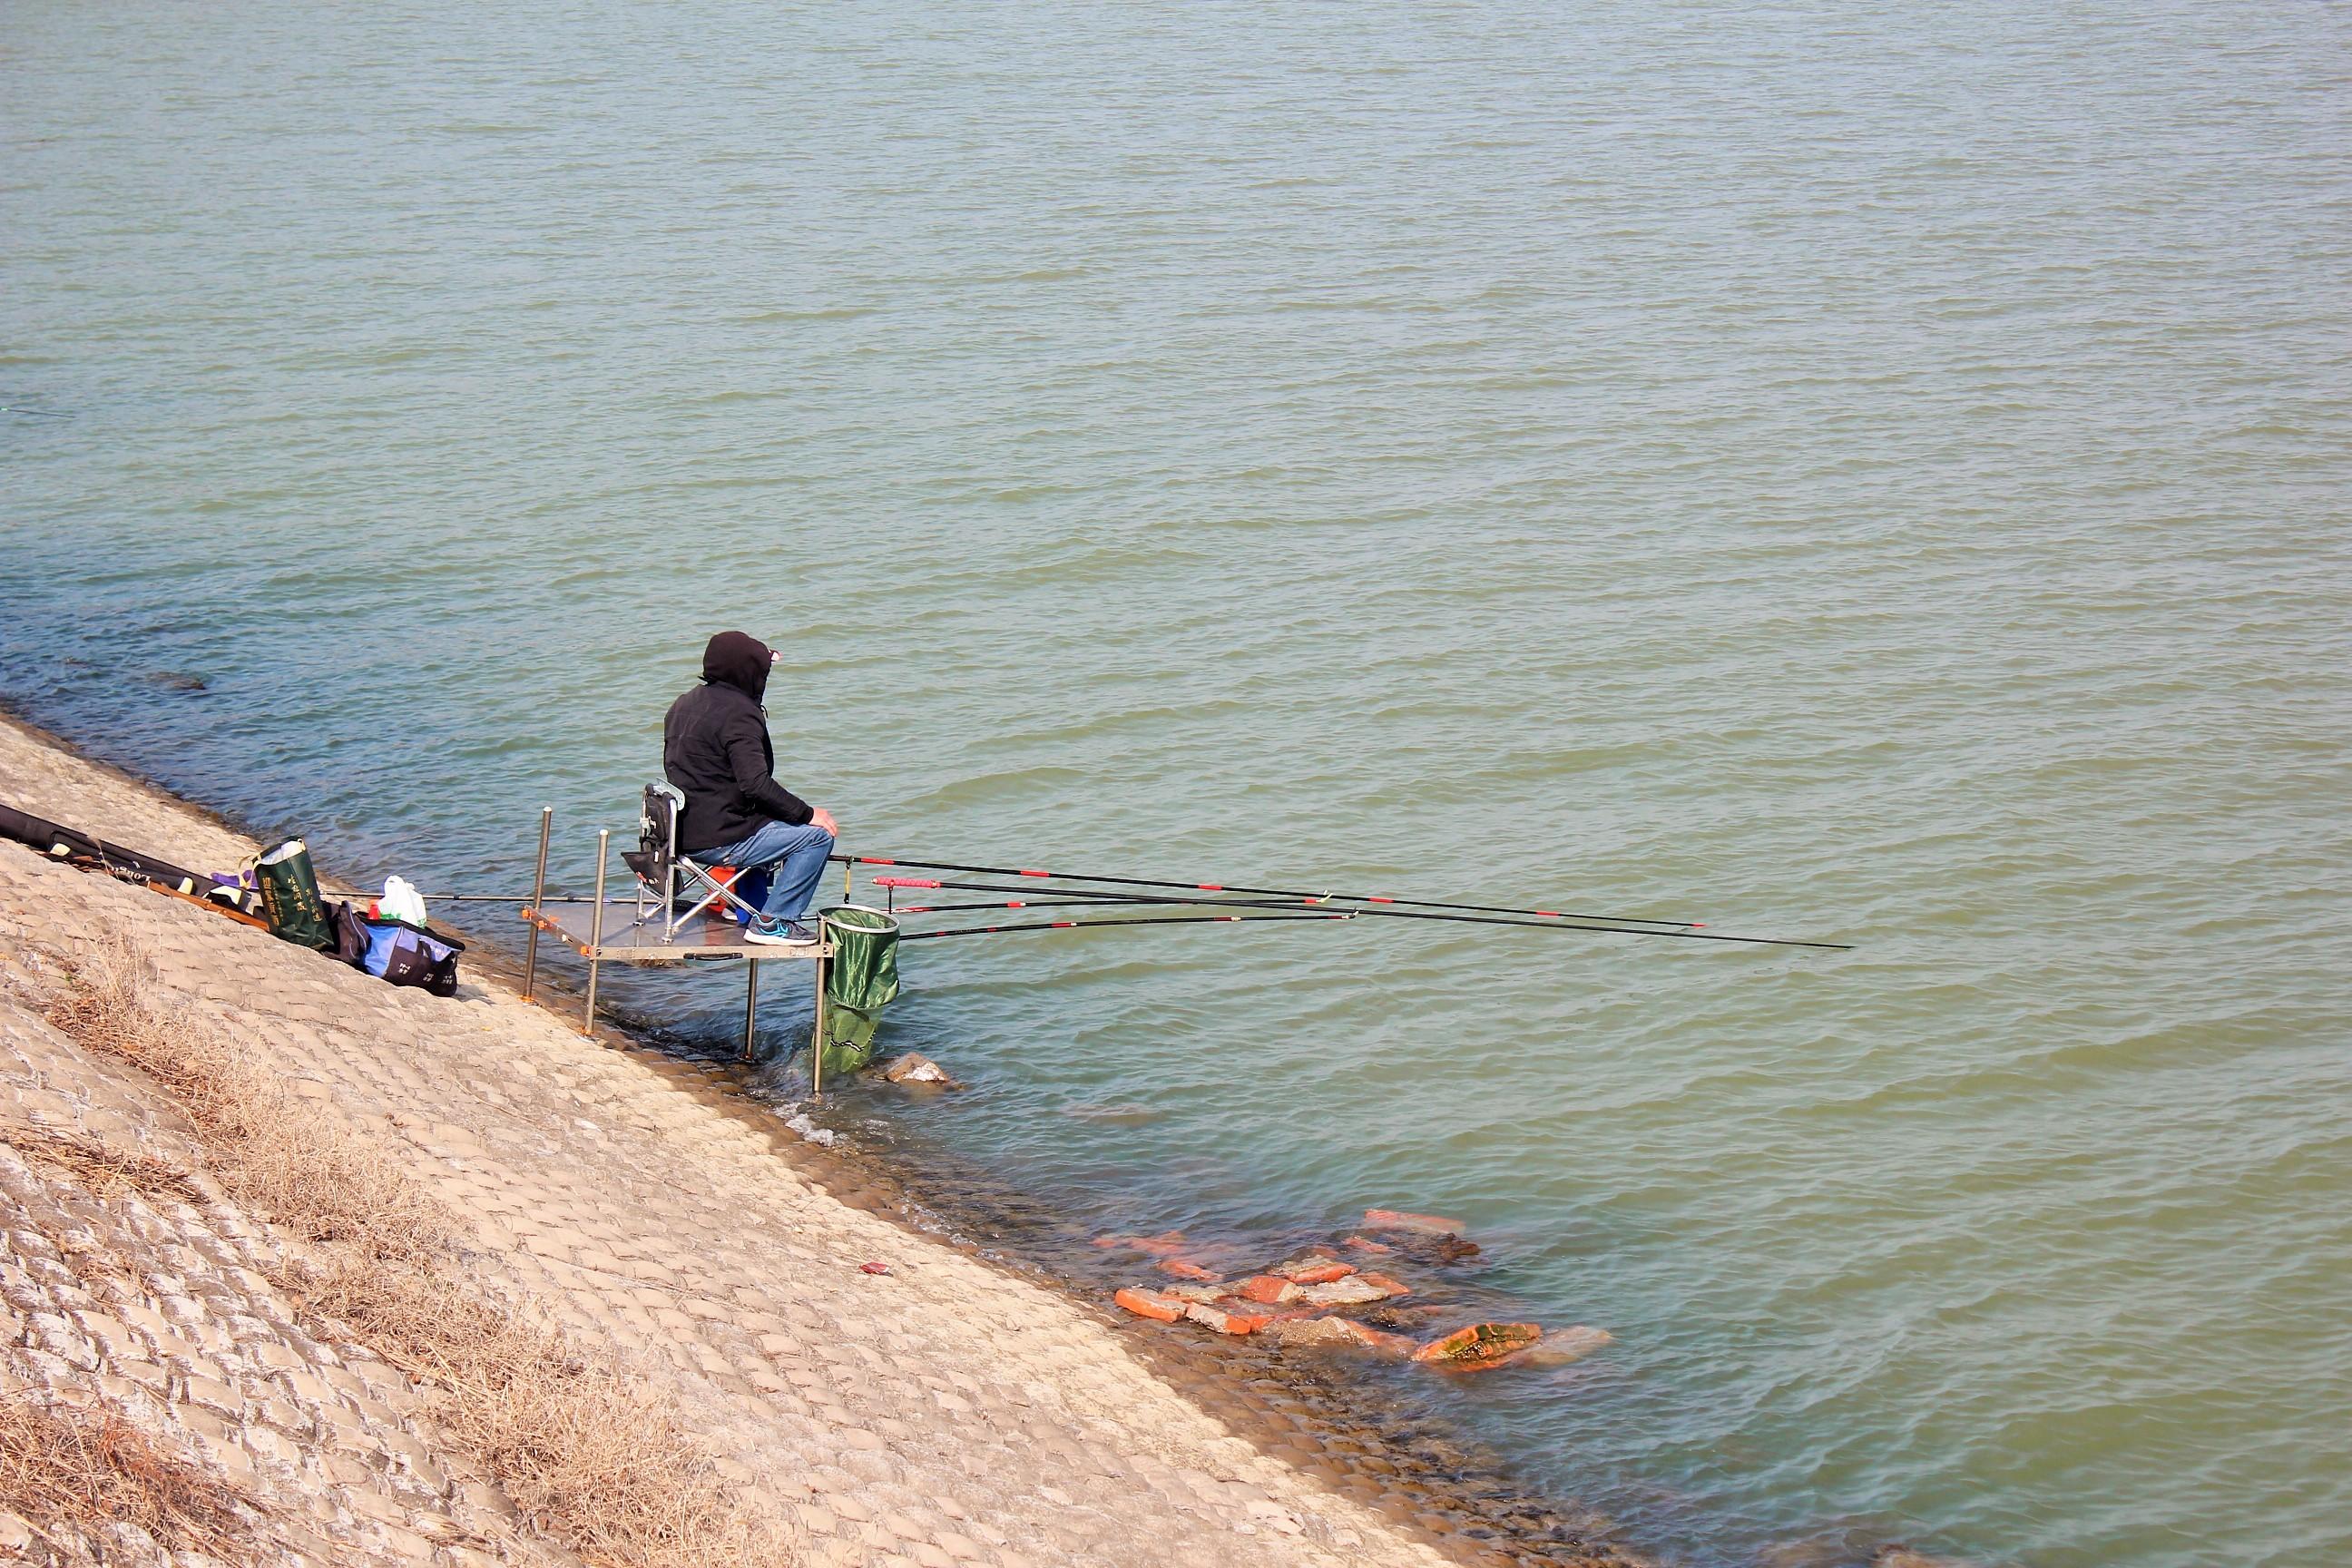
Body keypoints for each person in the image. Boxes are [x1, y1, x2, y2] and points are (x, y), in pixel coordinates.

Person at [662, 630, 840, 946]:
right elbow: (755, 784)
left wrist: (790, 814)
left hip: (683, 830)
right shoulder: (740, 714)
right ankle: (775, 922)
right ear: (746, 672)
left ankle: (744, 906)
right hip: (719, 838)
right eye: (762, 672)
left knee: (778, 819)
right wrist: (809, 813)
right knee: (817, 837)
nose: (764, 679)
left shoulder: (684, 703)